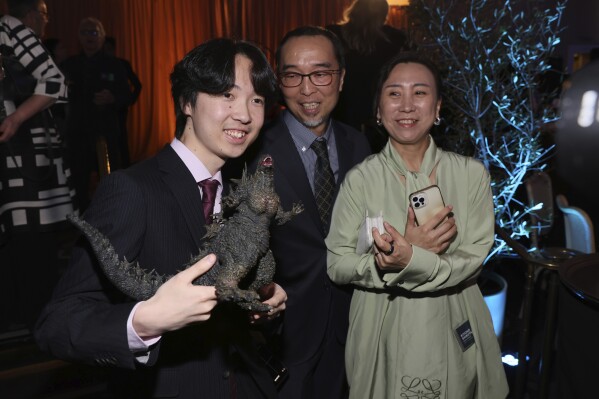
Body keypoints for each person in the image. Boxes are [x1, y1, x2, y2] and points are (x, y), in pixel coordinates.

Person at [35, 38, 287, 398]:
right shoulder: (131, 189)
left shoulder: (246, 194)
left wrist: (263, 307)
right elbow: (56, 324)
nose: (244, 113)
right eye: (227, 95)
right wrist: (143, 321)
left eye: (257, 99)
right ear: (186, 101)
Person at [325, 53, 509, 398]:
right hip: (381, 324)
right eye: (394, 94)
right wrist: (389, 262)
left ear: (438, 107)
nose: (406, 105)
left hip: (452, 317)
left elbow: (473, 258)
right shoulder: (361, 179)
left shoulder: (471, 175)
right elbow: (337, 264)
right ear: (378, 110)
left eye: (420, 93)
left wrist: (410, 258)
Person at [238, 26, 371, 399]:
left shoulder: (357, 145)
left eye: (321, 73)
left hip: (351, 327)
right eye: (293, 75)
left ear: (341, 78)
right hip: (283, 336)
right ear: (278, 81)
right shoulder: (252, 151)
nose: (307, 89)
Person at [0, 0, 75, 332]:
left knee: (29, 242)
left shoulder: (8, 27)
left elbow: (54, 82)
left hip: (24, 155)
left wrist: (15, 117)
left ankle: (39, 327)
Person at [61, 17, 132, 211]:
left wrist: (112, 98)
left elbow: (127, 94)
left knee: (110, 180)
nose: (89, 37)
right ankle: (82, 225)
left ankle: (113, 219)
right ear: (78, 37)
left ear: (102, 37)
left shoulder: (115, 65)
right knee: (78, 181)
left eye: (94, 33)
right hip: (77, 133)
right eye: (85, 33)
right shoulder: (69, 65)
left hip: (104, 132)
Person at [326, 0, 413, 153]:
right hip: (379, 113)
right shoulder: (395, 39)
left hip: (341, 111)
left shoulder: (333, 34)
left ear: (354, 10)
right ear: (383, 14)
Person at [104, 36, 142, 167]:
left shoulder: (121, 64)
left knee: (121, 138)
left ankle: (124, 167)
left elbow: (137, 85)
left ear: (113, 49)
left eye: (109, 49)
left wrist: (129, 101)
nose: (106, 52)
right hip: (101, 109)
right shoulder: (98, 64)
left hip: (118, 108)